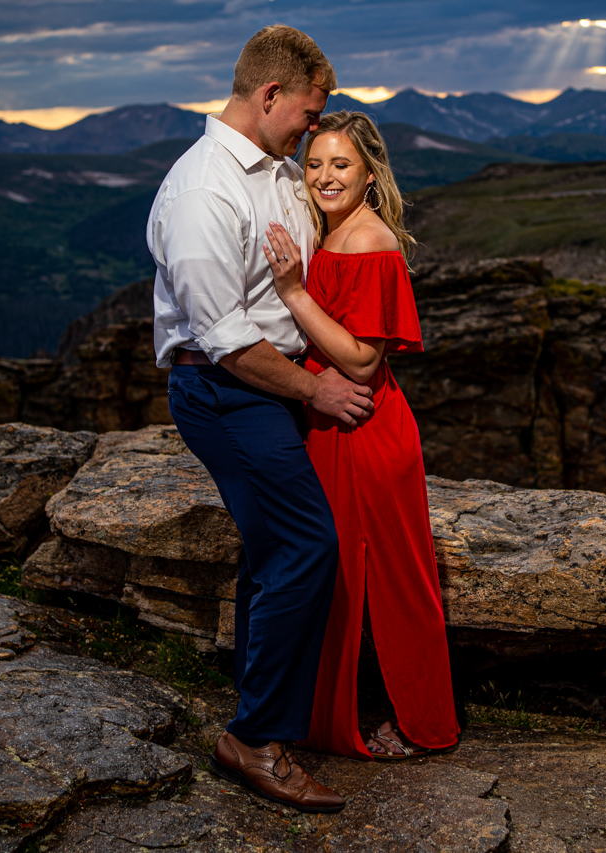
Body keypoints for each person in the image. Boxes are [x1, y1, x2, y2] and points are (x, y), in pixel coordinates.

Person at [147, 26, 372, 813]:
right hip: (226, 391)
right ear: (269, 95)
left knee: (274, 549)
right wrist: (319, 393)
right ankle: (257, 738)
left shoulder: (277, 169)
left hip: (268, 384)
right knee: (309, 543)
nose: (313, 129)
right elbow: (228, 342)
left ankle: (268, 711)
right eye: (308, 113)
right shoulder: (203, 190)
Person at [261, 111, 461, 761]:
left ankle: (424, 724)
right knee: (332, 572)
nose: (323, 176)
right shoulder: (330, 231)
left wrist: (291, 292)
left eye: (340, 165)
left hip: (366, 428)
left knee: (399, 581)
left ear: (369, 175)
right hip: (331, 423)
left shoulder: (370, 241)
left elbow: (363, 359)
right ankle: (320, 712)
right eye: (314, 163)